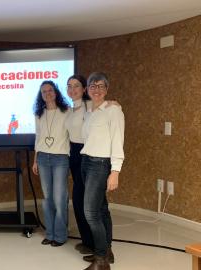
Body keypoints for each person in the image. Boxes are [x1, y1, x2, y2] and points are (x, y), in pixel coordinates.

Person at [80, 72, 124, 270]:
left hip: (100, 164)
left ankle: (101, 261)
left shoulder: (113, 111)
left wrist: (115, 171)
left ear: (106, 89)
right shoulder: (89, 111)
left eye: (100, 86)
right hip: (86, 162)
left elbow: (117, 141)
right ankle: (106, 251)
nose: (96, 89)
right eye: (92, 86)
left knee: (90, 213)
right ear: (87, 90)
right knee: (101, 209)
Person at [32, 81, 70, 247]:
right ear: (41, 95)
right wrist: (35, 160)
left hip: (60, 158)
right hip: (42, 158)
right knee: (48, 198)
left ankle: (60, 236)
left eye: (50, 90)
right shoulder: (39, 114)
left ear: (56, 92)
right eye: (44, 92)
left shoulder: (66, 111)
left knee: (59, 198)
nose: (47, 93)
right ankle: (50, 233)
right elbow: (38, 137)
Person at [65, 75, 95, 254]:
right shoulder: (69, 110)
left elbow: (108, 107)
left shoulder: (91, 106)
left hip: (88, 154)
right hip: (73, 154)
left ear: (84, 89)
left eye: (76, 86)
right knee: (77, 200)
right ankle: (87, 241)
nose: (72, 89)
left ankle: (95, 243)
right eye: (69, 86)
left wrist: (114, 103)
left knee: (86, 200)